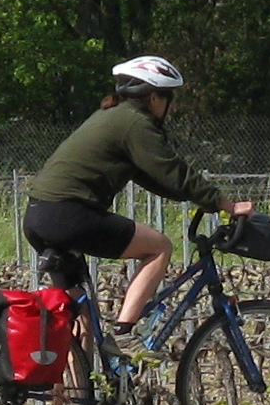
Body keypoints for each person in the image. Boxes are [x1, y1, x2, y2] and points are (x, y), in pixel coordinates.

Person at [20, 56, 254, 333]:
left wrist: (199, 199)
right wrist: (226, 204)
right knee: (159, 247)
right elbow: (171, 169)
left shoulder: (111, 116)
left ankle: (81, 363)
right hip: (69, 215)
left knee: (81, 318)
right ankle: (126, 333)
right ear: (154, 97)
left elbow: (153, 177)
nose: (172, 106)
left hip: (38, 217)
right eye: (169, 98)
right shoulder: (135, 123)